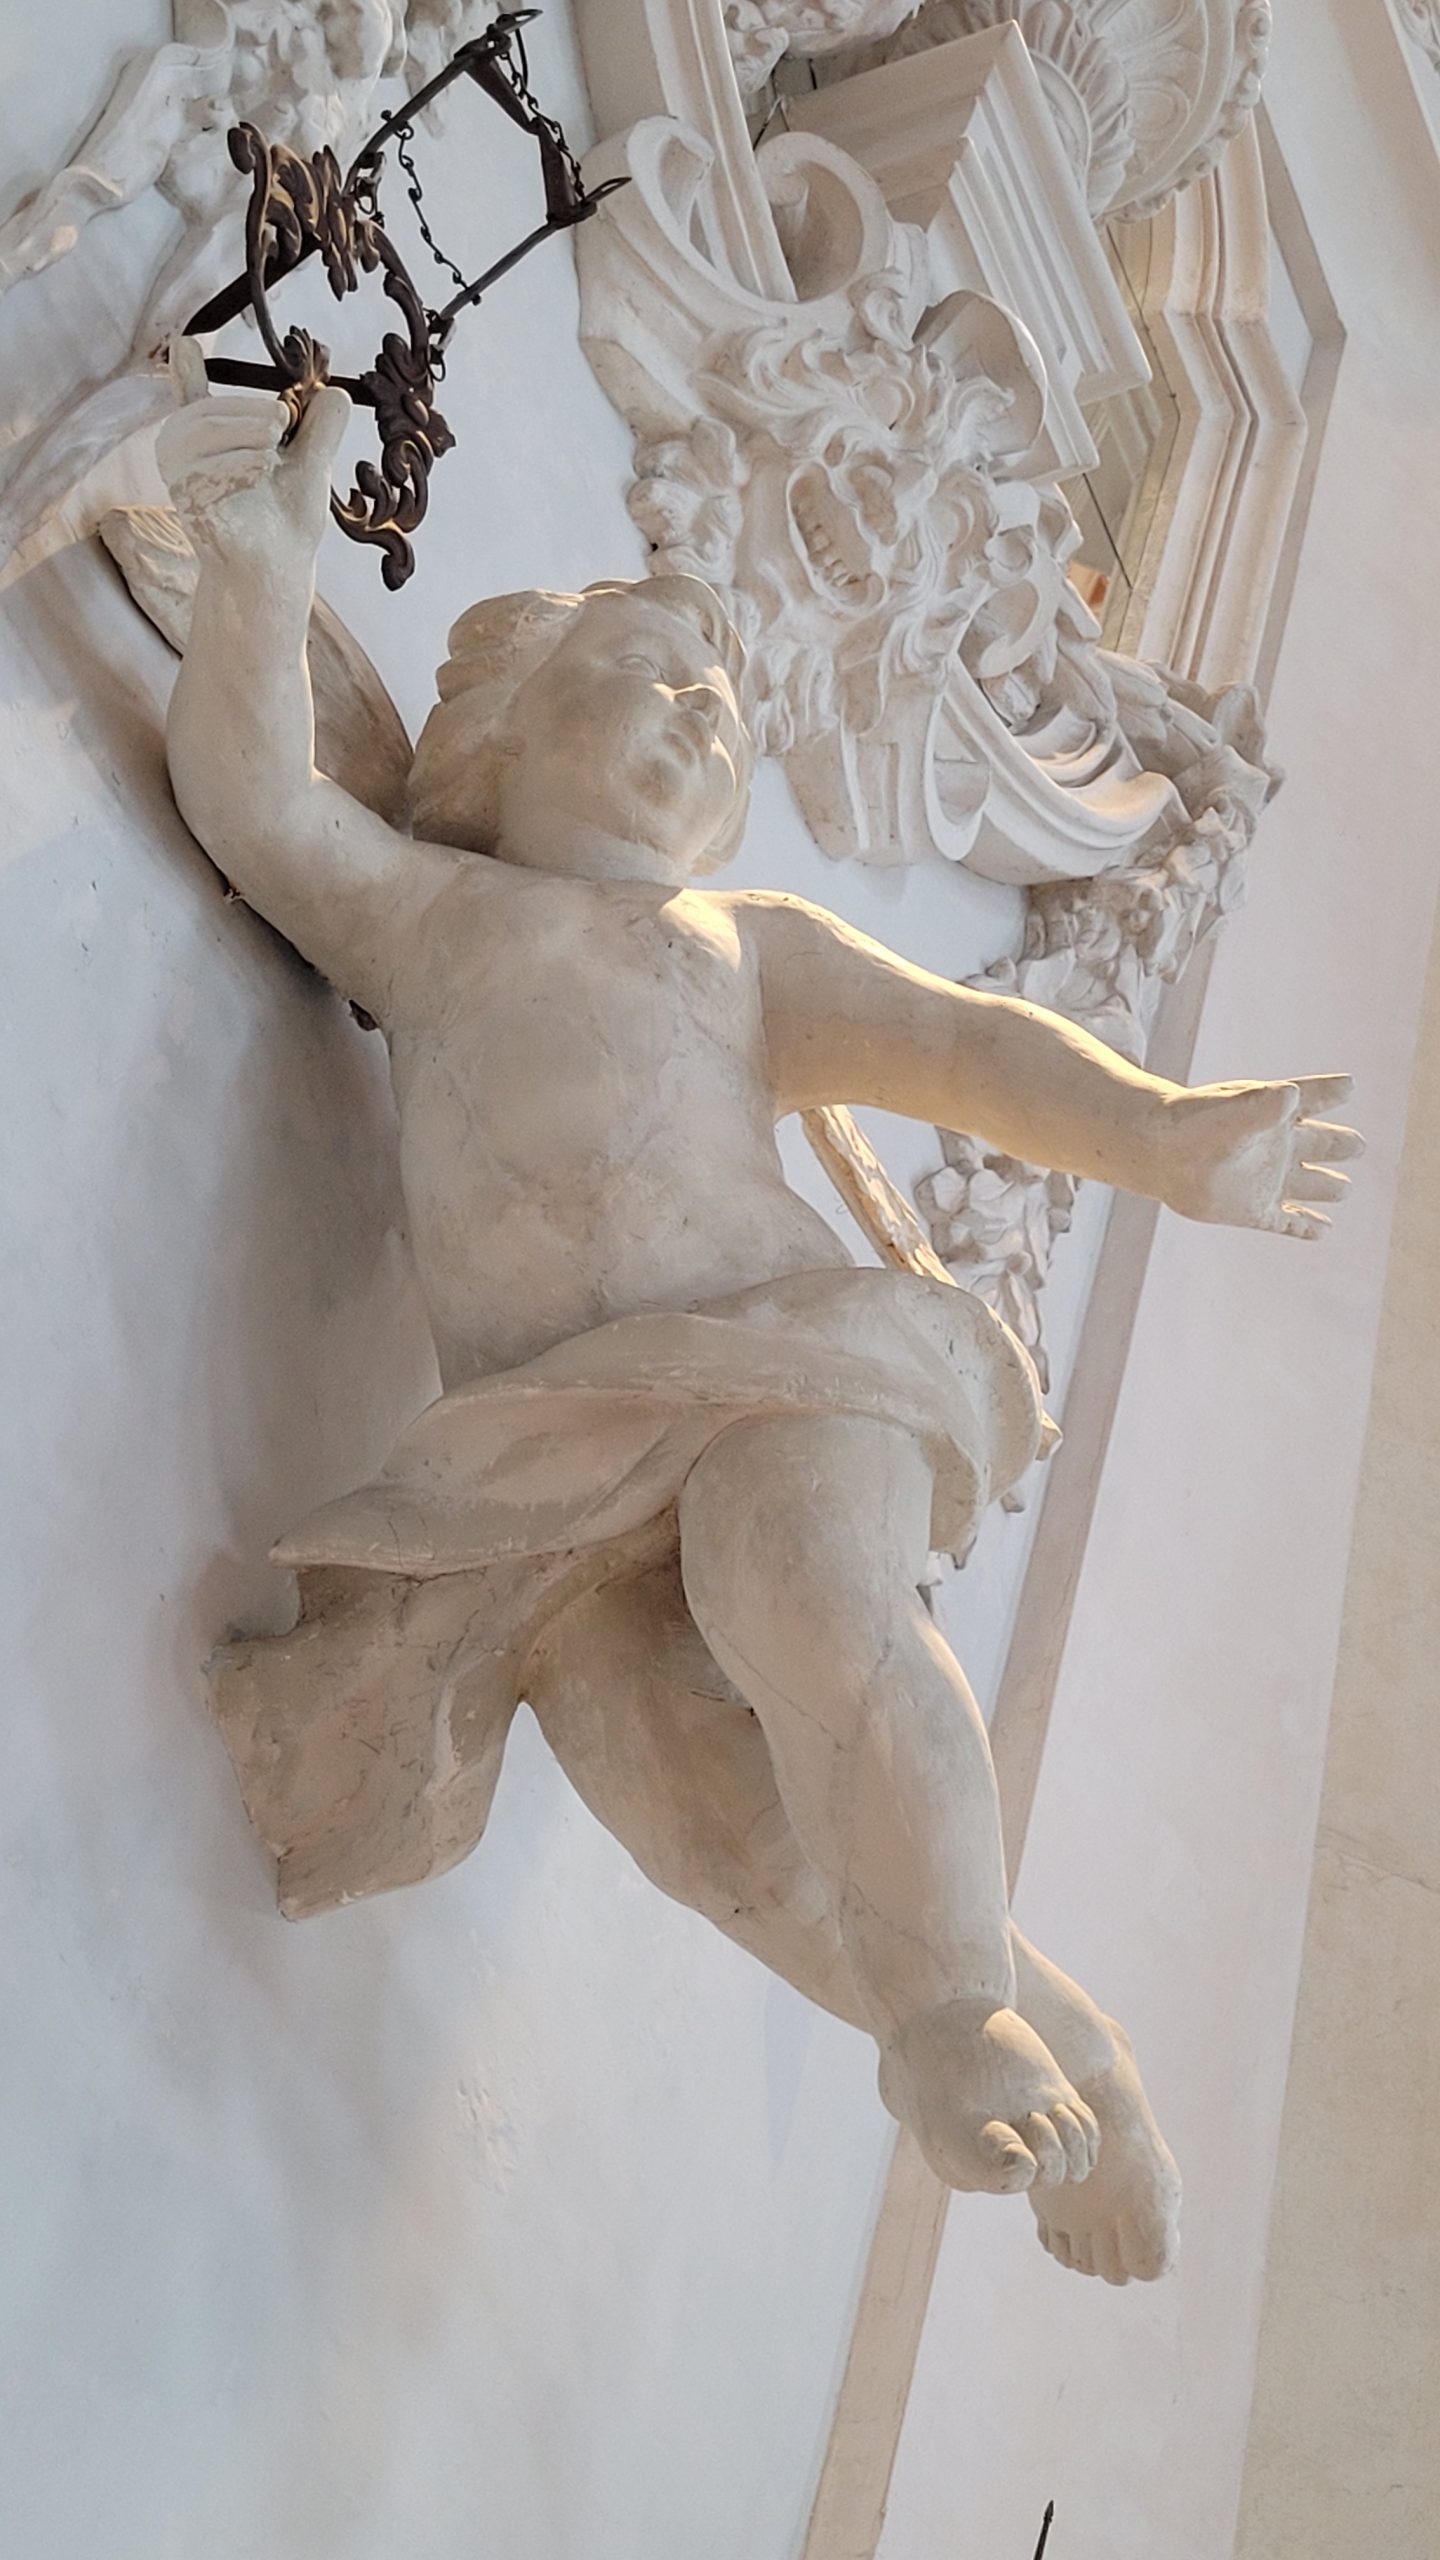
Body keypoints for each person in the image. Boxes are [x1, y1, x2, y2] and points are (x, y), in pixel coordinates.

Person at [157, 386, 1360, 2283]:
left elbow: (963, 1049)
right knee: (698, 1812)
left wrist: (1158, 1134)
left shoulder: (743, 949)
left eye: (724, 707)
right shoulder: (432, 920)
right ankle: (1061, 2042)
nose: (704, 713)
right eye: (651, 674)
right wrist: (258, 573)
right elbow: (261, 805)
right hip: (548, 1449)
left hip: (786, 1360)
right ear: (506, 729)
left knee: (796, 1589)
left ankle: (951, 2013)